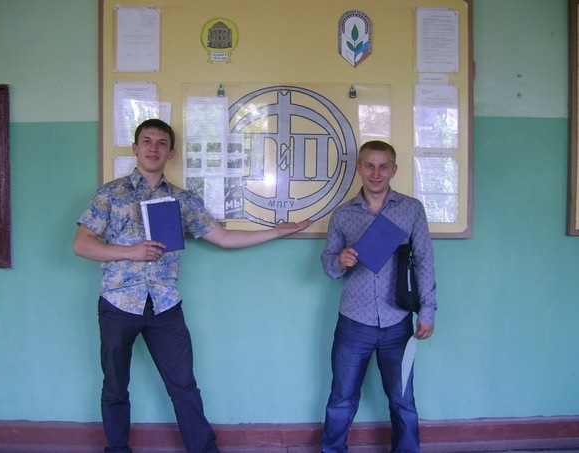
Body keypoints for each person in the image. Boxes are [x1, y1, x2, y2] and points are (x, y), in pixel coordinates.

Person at [73, 119, 312, 453]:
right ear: (135, 148)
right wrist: (130, 251)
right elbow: (82, 244)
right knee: (115, 386)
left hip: (165, 306)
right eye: (147, 141)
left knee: (184, 385)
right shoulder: (110, 194)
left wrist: (276, 232)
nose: (153, 148)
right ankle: (117, 448)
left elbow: (223, 238)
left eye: (161, 143)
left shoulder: (182, 199)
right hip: (118, 304)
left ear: (171, 152)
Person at [319, 140, 437, 453]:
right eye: (369, 166)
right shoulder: (343, 215)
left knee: (403, 401)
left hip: (398, 321)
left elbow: (425, 261)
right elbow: (328, 262)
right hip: (353, 322)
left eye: (383, 167)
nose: (376, 173)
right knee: (341, 398)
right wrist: (339, 261)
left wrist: (427, 312)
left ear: (394, 170)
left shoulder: (411, 209)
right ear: (359, 168)